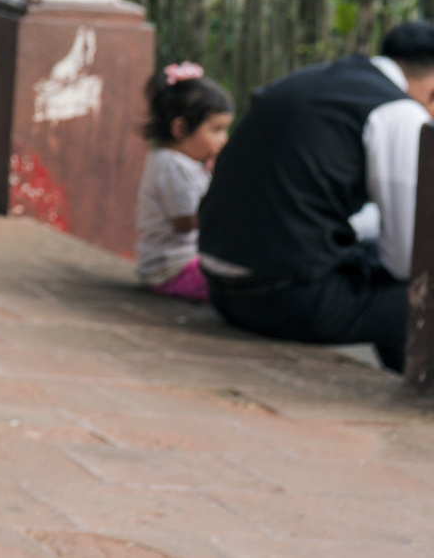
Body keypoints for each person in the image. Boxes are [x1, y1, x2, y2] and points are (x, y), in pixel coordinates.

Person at [198, 20, 434, 372]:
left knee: (376, 263)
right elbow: (408, 261)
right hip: (283, 299)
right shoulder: (399, 112)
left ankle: (401, 373)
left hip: (223, 287)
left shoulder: (313, 81)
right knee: (417, 289)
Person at [135, 62, 232, 302]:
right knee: (233, 288)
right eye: (216, 129)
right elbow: (185, 221)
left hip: (176, 265)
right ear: (180, 128)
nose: (224, 139)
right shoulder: (173, 165)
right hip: (171, 269)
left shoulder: (183, 163)